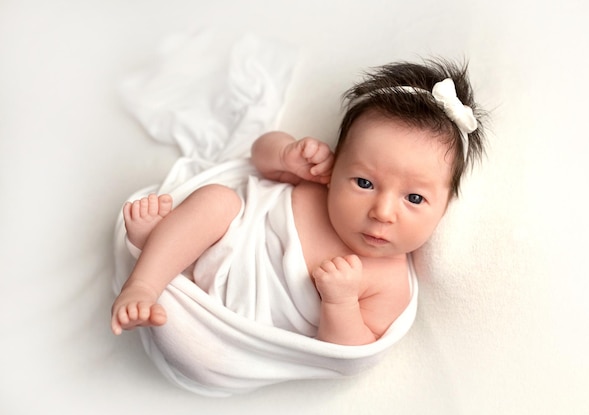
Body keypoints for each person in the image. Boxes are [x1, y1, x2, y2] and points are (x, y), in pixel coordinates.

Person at [110, 59, 486, 346]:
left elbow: (350, 352)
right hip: (220, 246)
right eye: (364, 182)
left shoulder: (389, 284)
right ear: (337, 165)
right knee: (217, 201)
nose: (382, 212)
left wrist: (340, 303)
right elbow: (257, 158)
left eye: (415, 198)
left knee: (203, 232)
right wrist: (286, 154)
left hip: (232, 324)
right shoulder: (317, 182)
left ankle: (163, 256)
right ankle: (146, 281)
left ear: (446, 206)